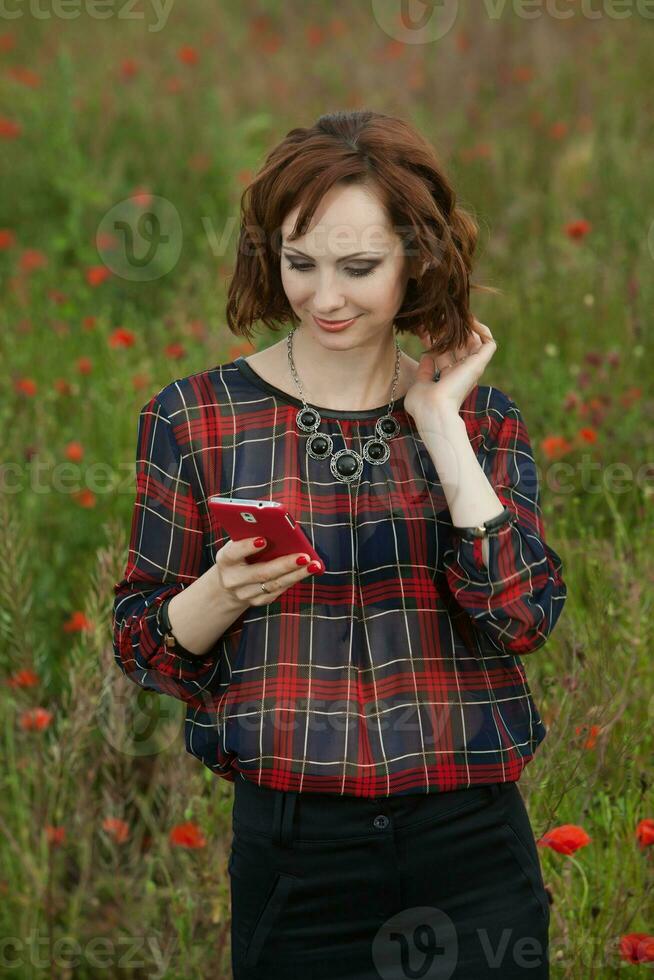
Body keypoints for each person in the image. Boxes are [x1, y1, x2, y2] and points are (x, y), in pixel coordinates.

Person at [112, 110, 567, 979]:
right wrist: (221, 594)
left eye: (360, 267)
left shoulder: (481, 419)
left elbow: (521, 619)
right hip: (295, 857)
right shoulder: (195, 418)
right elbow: (143, 646)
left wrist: (438, 425)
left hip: (470, 848)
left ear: (418, 261)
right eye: (300, 263)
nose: (326, 297)